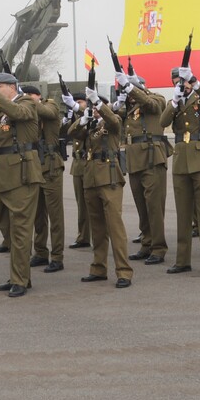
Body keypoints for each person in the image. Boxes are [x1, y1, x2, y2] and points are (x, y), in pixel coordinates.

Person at [0, 72, 44, 297]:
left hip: (21, 173)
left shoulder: (26, 102)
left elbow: (19, 114)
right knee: (7, 228)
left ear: (13, 87)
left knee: (21, 230)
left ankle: (20, 279)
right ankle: (19, 274)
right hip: (2, 175)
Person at [64, 87, 132, 288]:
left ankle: (124, 271)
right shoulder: (90, 125)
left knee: (115, 226)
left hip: (109, 178)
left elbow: (113, 120)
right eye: (92, 107)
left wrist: (101, 106)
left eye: (96, 106)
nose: (94, 110)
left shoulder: (112, 121)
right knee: (97, 227)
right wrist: (83, 119)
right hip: (90, 178)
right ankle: (99, 268)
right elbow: (71, 133)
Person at [158, 67, 200, 279]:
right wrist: (175, 102)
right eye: (177, 82)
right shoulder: (175, 101)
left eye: (183, 81)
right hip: (181, 162)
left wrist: (195, 81)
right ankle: (182, 260)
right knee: (183, 215)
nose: (181, 85)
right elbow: (162, 123)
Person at [118, 74, 170, 266]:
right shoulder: (129, 108)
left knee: (154, 206)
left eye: (131, 90)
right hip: (134, 160)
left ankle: (158, 247)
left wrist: (132, 89)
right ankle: (147, 243)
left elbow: (152, 106)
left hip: (151, 158)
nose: (129, 94)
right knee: (141, 205)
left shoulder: (156, 99)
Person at [27, 85, 66, 274]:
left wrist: (26, 100)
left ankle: (57, 257)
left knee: (55, 214)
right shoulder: (29, 111)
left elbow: (46, 112)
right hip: (36, 167)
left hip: (51, 166)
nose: (27, 98)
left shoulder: (50, 105)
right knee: (37, 214)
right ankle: (41, 251)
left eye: (30, 95)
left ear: (39, 96)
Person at [66, 91, 92, 251]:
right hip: (77, 164)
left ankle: (97, 235)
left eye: (80, 102)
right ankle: (83, 236)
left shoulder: (90, 116)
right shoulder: (75, 118)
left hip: (90, 164)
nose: (78, 105)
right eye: (75, 102)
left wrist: (78, 109)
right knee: (81, 204)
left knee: (93, 203)